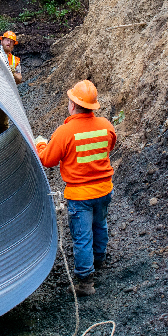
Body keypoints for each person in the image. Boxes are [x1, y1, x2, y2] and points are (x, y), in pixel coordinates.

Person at [34, 80, 115, 297]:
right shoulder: (106, 126)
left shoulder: (65, 131)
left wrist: (41, 143)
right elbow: (109, 147)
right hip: (104, 190)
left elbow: (47, 159)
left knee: (82, 236)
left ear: (73, 104)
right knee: (100, 225)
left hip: (80, 196)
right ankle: (100, 260)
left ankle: (85, 282)